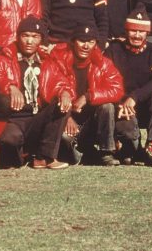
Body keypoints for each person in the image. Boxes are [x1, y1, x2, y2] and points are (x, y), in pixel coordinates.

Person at [0, 16, 68, 170]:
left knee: (62, 103)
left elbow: (60, 81)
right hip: (13, 119)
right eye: (25, 36)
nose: (29, 41)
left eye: (35, 37)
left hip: (36, 117)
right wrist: (10, 86)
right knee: (11, 141)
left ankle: (44, 157)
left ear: (41, 39)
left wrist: (65, 92)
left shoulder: (46, 60)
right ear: (18, 36)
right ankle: (20, 156)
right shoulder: (4, 57)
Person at [40, 24, 124, 166]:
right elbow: (47, 88)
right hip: (65, 118)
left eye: (91, 42)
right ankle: (82, 153)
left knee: (107, 107)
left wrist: (89, 96)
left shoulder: (103, 63)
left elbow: (117, 89)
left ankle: (106, 152)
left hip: (91, 121)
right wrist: (66, 117)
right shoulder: (57, 59)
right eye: (81, 40)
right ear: (72, 42)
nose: (86, 46)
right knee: (66, 139)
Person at [105, 6, 152, 167]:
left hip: (145, 105)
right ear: (126, 31)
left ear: (147, 33)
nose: (137, 35)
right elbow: (105, 81)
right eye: (133, 30)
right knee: (130, 139)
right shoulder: (113, 50)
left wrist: (134, 97)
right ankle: (130, 147)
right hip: (121, 106)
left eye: (141, 31)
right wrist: (122, 101)